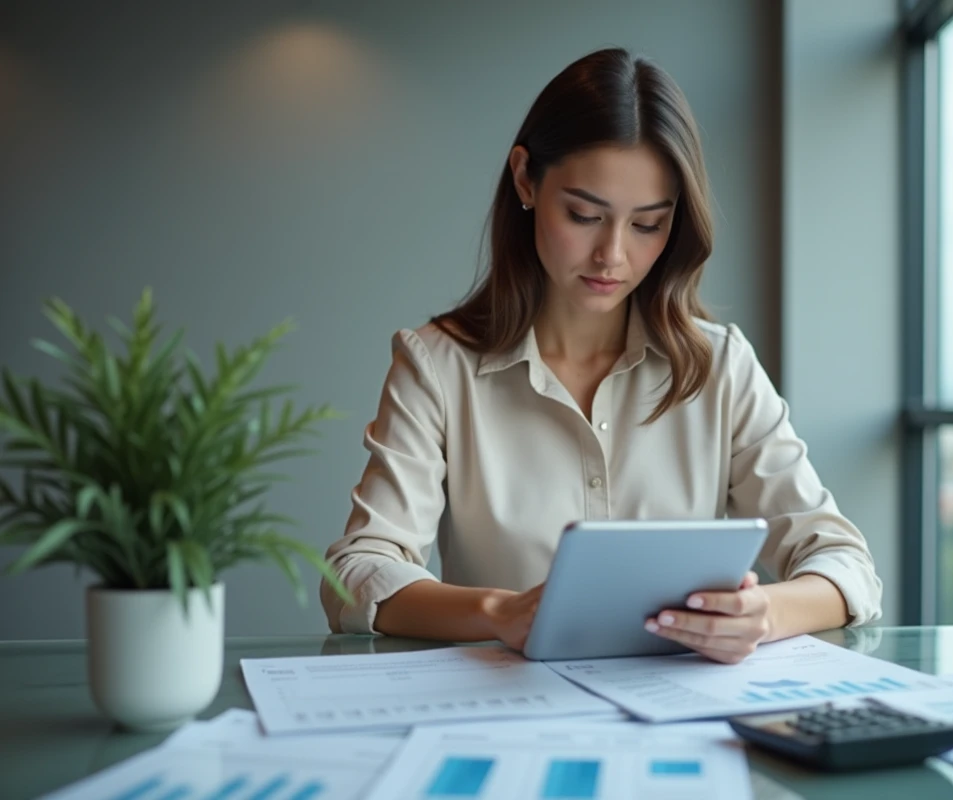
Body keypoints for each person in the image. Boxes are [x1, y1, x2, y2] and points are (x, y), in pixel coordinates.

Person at [320, 47, 882, 664]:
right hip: (504, 714)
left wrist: (762, 614)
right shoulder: (436, 365)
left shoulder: (720, 366)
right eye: (584, 215)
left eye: (648, 225)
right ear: (525, 179)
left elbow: (844, 563)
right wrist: (498, 612)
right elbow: (358, 570)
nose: (612, 255)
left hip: (680, 721)